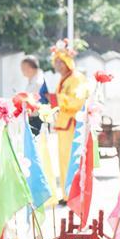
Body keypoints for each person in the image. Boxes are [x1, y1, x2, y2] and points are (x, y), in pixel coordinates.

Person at [51, 40, 89, 203]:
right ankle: (67, 194)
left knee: (72, 159)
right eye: (56, 62)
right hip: (63, 125)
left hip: (73, 125)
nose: (58, 65)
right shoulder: (63, 79)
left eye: (61, 62)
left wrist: (58, 99)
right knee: (63, 159)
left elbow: (78, 101)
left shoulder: (77, 78)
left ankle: (74, 194)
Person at [20, 55, 45, 136]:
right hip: (32, 117)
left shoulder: (38, 82)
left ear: (31, 68)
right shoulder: (33, 80)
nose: (22, 70)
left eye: (23, 68)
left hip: (38, 119)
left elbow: (34, 101)